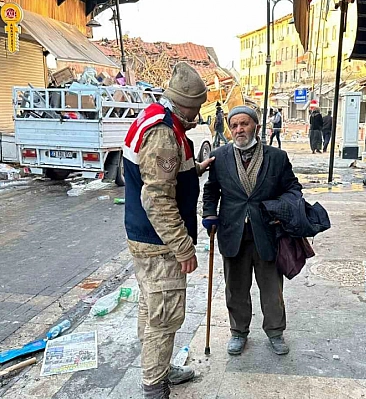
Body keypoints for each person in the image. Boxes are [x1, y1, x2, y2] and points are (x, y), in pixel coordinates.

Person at [122, 62, 215, 399]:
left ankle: (159, 369)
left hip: (146, 238)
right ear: (184, 104)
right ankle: (154, 388)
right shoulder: (163, 132)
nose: (198, 114)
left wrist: (196, 170)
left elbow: (167, 177)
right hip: (159, 244)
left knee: (152, 308)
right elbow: (157, 198)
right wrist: (183, 247)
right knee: (164, 316)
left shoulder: (159, 118)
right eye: (197, 107)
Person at [202, 105, 303, 357]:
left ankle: (275, 331)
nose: (239, 129)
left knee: (271, 288)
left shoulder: (277, 157)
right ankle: (238, 332)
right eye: (234, 125)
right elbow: (211, 190)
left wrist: (281, 209)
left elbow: (293, 188)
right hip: (231, 231)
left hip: (266, 231)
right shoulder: (220, 157)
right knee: (235, 287)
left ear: (256, 126)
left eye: (244, 124)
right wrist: (209, 214)